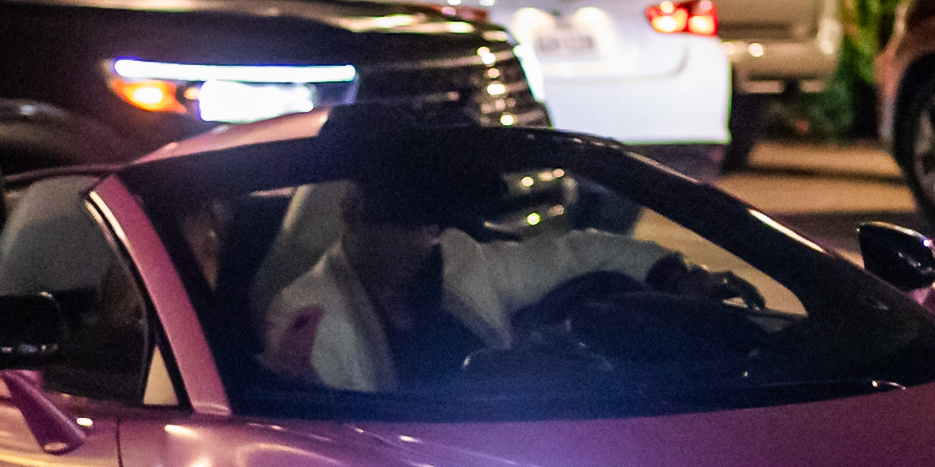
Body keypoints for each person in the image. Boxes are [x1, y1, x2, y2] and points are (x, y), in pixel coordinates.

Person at [259, 175, 756, 393]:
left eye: (429, 225)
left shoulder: (460, 259)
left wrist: (677, 278)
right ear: (352, 215)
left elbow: (577, 253)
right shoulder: (305, 308)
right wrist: (299, 385)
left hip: (522, 443)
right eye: (401, 223)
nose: (419, 240)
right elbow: (345, 433)